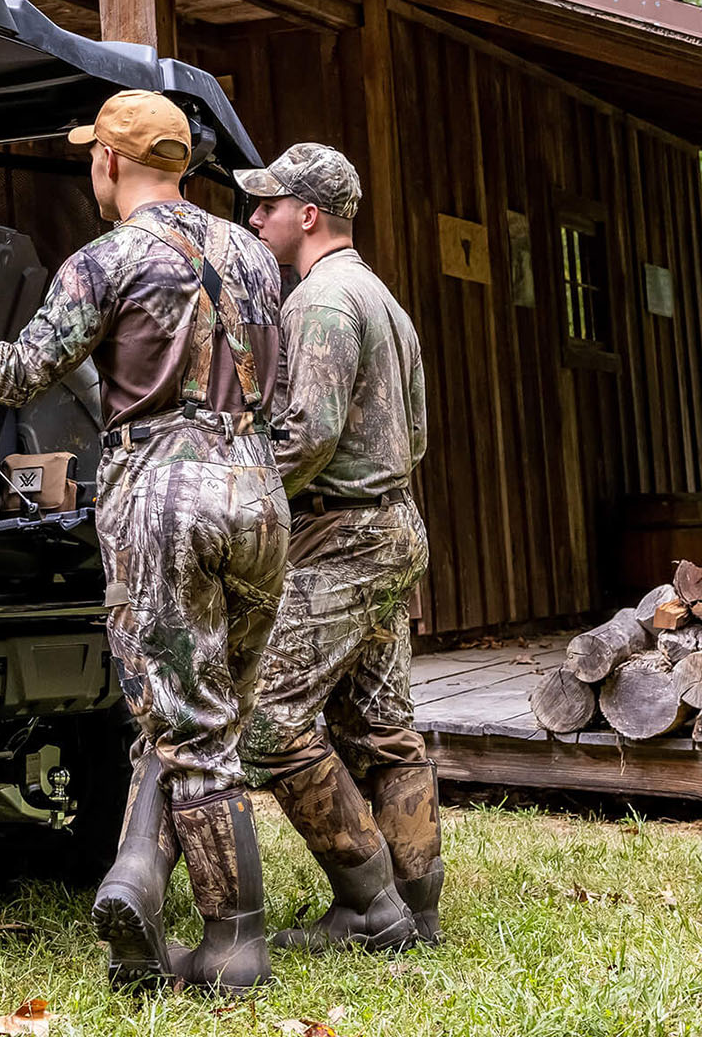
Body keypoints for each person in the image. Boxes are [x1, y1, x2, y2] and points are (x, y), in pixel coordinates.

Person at [0, 90, 289, 993]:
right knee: (213, 719)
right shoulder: (254, 253)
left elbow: (15, 375)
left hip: (163, 497)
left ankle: (232, 947)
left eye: (93, 153)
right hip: (257, 490)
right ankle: (140, 882)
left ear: (110, 163)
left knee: (187, 728)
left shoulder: (105, 260)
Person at [237, 143, 438, 950]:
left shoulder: (317, 302)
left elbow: (307, 433)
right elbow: (416, 430)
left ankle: (367, 907)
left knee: (271, 723)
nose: (255, 219)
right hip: (395, 525)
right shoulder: (382, 298)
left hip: (342, 538)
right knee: (383, 725)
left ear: (307, 215)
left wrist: (240, 493)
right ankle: (417, 910)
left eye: (267, 206)